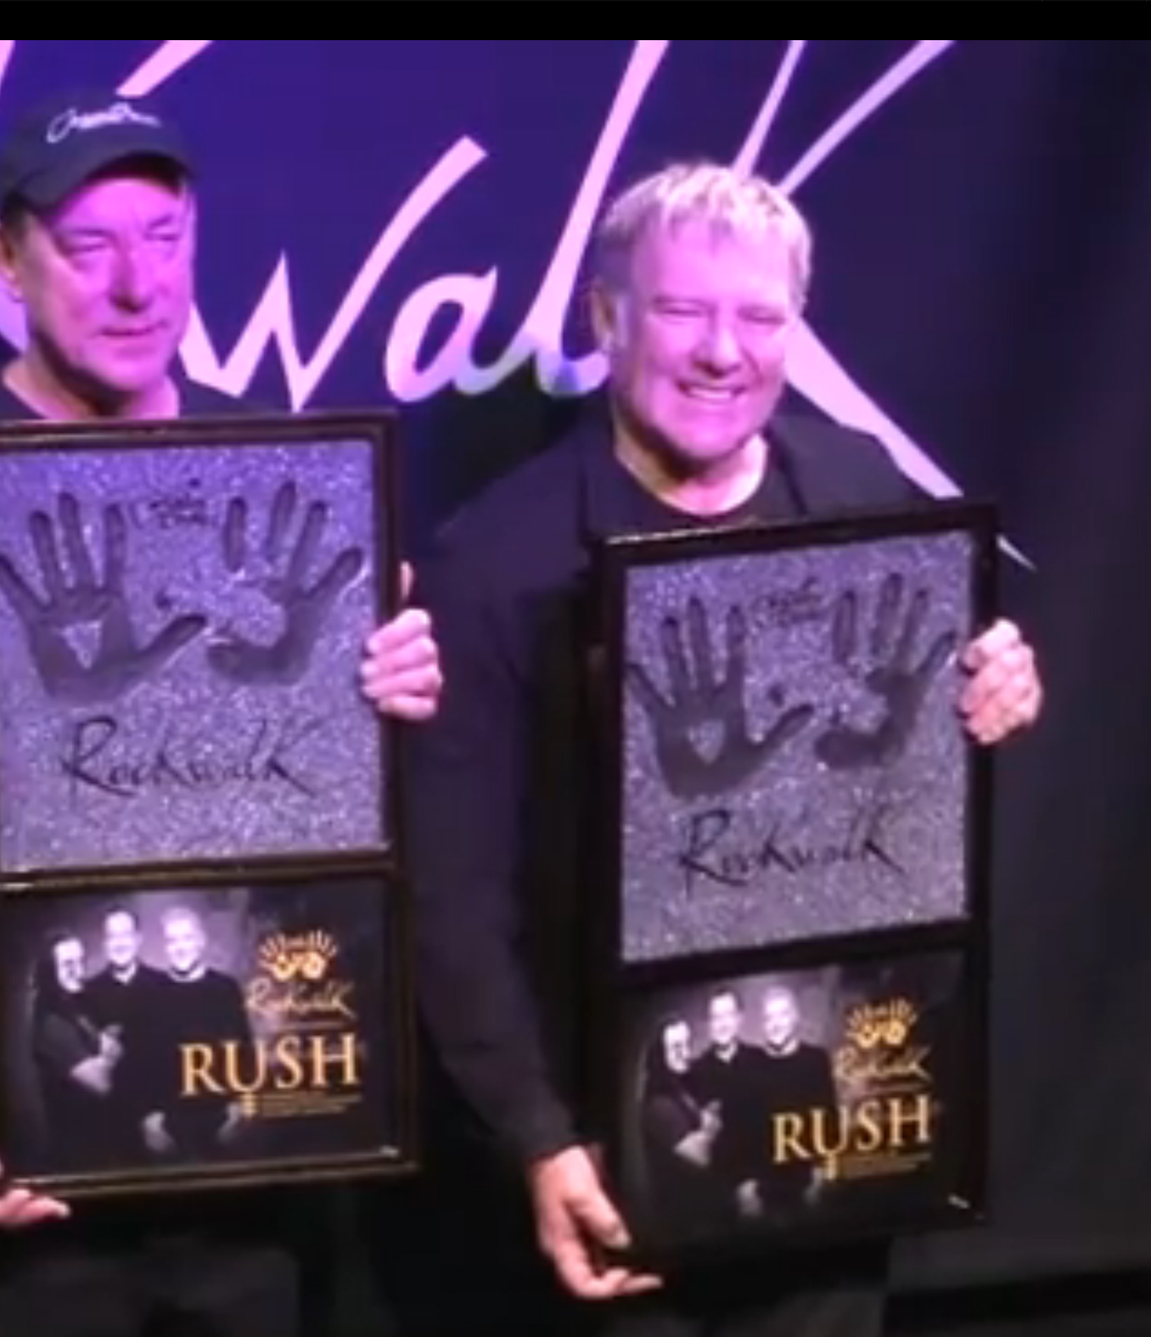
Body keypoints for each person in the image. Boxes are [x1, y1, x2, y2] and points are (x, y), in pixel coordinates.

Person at [0, 88, 442, 1337]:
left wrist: (389, 695)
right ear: (7, 259)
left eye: (163, 240)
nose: (135, 284)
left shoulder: (288, 465)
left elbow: (352, 800)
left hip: (261, 1139)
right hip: (31, 1153)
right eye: (89, 244)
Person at [406, 160, 1045, 1336]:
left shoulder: (861, 489)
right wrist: (538, 1139)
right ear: (607, 318)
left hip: (832, 1147)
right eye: (685, 311)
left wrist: (998, 681)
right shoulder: (494, 563)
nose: (722, 351)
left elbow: (926, 759)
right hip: (609, 1161)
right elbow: (456, 899)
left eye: (758, 317)